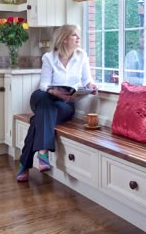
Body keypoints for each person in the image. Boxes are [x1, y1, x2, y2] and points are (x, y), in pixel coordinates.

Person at [17, 24, 98, 182]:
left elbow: (87, 79)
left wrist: (91, 86)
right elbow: (44, 84)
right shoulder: (49, 57)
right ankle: (42, 152)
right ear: (64, 38)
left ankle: (26, 163)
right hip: (45, 98)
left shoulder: (82, 56)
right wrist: (53, 91)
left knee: (37, 121)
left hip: (65, 104)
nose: (78, 38)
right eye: (74, 35)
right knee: (44, 98)